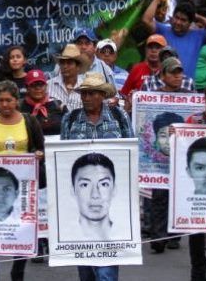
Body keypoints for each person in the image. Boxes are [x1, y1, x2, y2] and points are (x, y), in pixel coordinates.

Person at [59, 72, 131, 281]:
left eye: (91, 93)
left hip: (112, 203)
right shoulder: (70, 119)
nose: (86, 97)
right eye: (84, 93)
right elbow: (63, 161)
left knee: (107, 271)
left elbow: (130, 153)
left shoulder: (119, 117)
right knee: (86, 268)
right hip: (82, 204)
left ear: (102, 95)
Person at [0, 80, 44, 281]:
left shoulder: (29, 121)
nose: (5, 105)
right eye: (1, 100)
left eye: (9, 100)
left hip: (21, 187)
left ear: (17, 100)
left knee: (21, 231)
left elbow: (41, 148)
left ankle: (17, 271)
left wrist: (39, 154)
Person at [68, 152, 117, 241]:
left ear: (114, 189)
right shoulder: (66, 235)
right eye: (85, 185)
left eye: (104, 184)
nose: (95, 195)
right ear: (73, 191)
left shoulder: (123, 232)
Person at [48, 43, 92, 113]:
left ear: (78, 67)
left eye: (69, 63)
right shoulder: (48, 85)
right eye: (62, 63)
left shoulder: (86, 87)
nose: (65, 66)